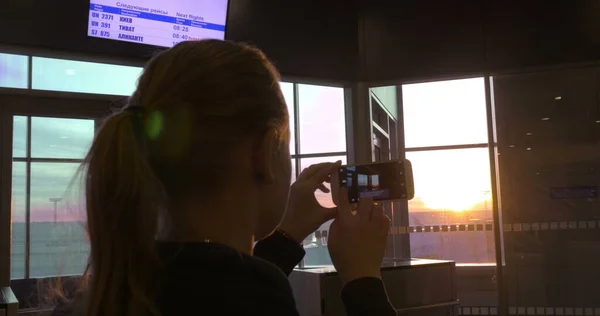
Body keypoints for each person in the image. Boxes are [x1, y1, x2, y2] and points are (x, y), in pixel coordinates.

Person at [56, 39, 396, 316]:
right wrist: (362, 278)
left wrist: (287, 236)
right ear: (263, 153)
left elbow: (210, 281)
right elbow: (233, 287)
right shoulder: (254, 295)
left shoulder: (120, 288)